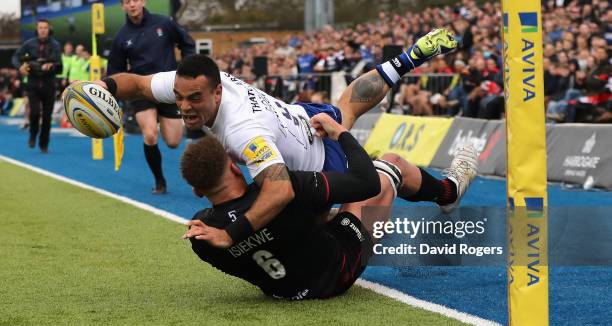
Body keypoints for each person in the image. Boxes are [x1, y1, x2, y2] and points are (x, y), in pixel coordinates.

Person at [96, 28, 461, 246]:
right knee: (346, 109)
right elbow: (140, 83)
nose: (185, 107)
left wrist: (231, 234)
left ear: (217, 93)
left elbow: (280, 189)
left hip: (319, 164)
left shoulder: (242, 132)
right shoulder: (195, 80)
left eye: (194, 100)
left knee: (335, 218)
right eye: (179, 98)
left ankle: (444, 192)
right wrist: (103, 87)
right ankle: (407, 59)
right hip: (298, 116)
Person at [179, 114, 478, 299]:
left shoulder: (202, 235)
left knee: (306, 218)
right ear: (234, 168)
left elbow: (249, 241)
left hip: (281, 290)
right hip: (337, 270)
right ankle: (449, 192)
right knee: (390, 166)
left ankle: (339, 219)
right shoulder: (282, 188)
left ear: (196, 189)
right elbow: (366, 182)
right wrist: (339, 132)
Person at [108, 0, 195, 194]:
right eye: (127, 2)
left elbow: (187, 42)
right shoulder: (121, 37)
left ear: (143, 1)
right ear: (123, 6)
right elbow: (115, 72)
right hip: (140, 91)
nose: (132, 5)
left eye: (135, 0)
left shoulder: (164, 23)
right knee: (149, 134)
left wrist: (187, 68)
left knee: (173, 142)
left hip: (167, 87)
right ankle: (160, 181)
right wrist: (118, 96)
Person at [12, 19, 62, 153]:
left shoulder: (56, 45)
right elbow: (15, 57)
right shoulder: (29, 44)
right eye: (41, 28)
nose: (43, 30)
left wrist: (51, 65)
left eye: (45, 27)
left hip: (49, 84)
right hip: (33, 84)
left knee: (47, 117)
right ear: (37, 29)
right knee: (34, 113)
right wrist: (20, 67)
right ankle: (33, 134)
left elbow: (59, 66)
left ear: (49, 29)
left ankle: (44, 143)